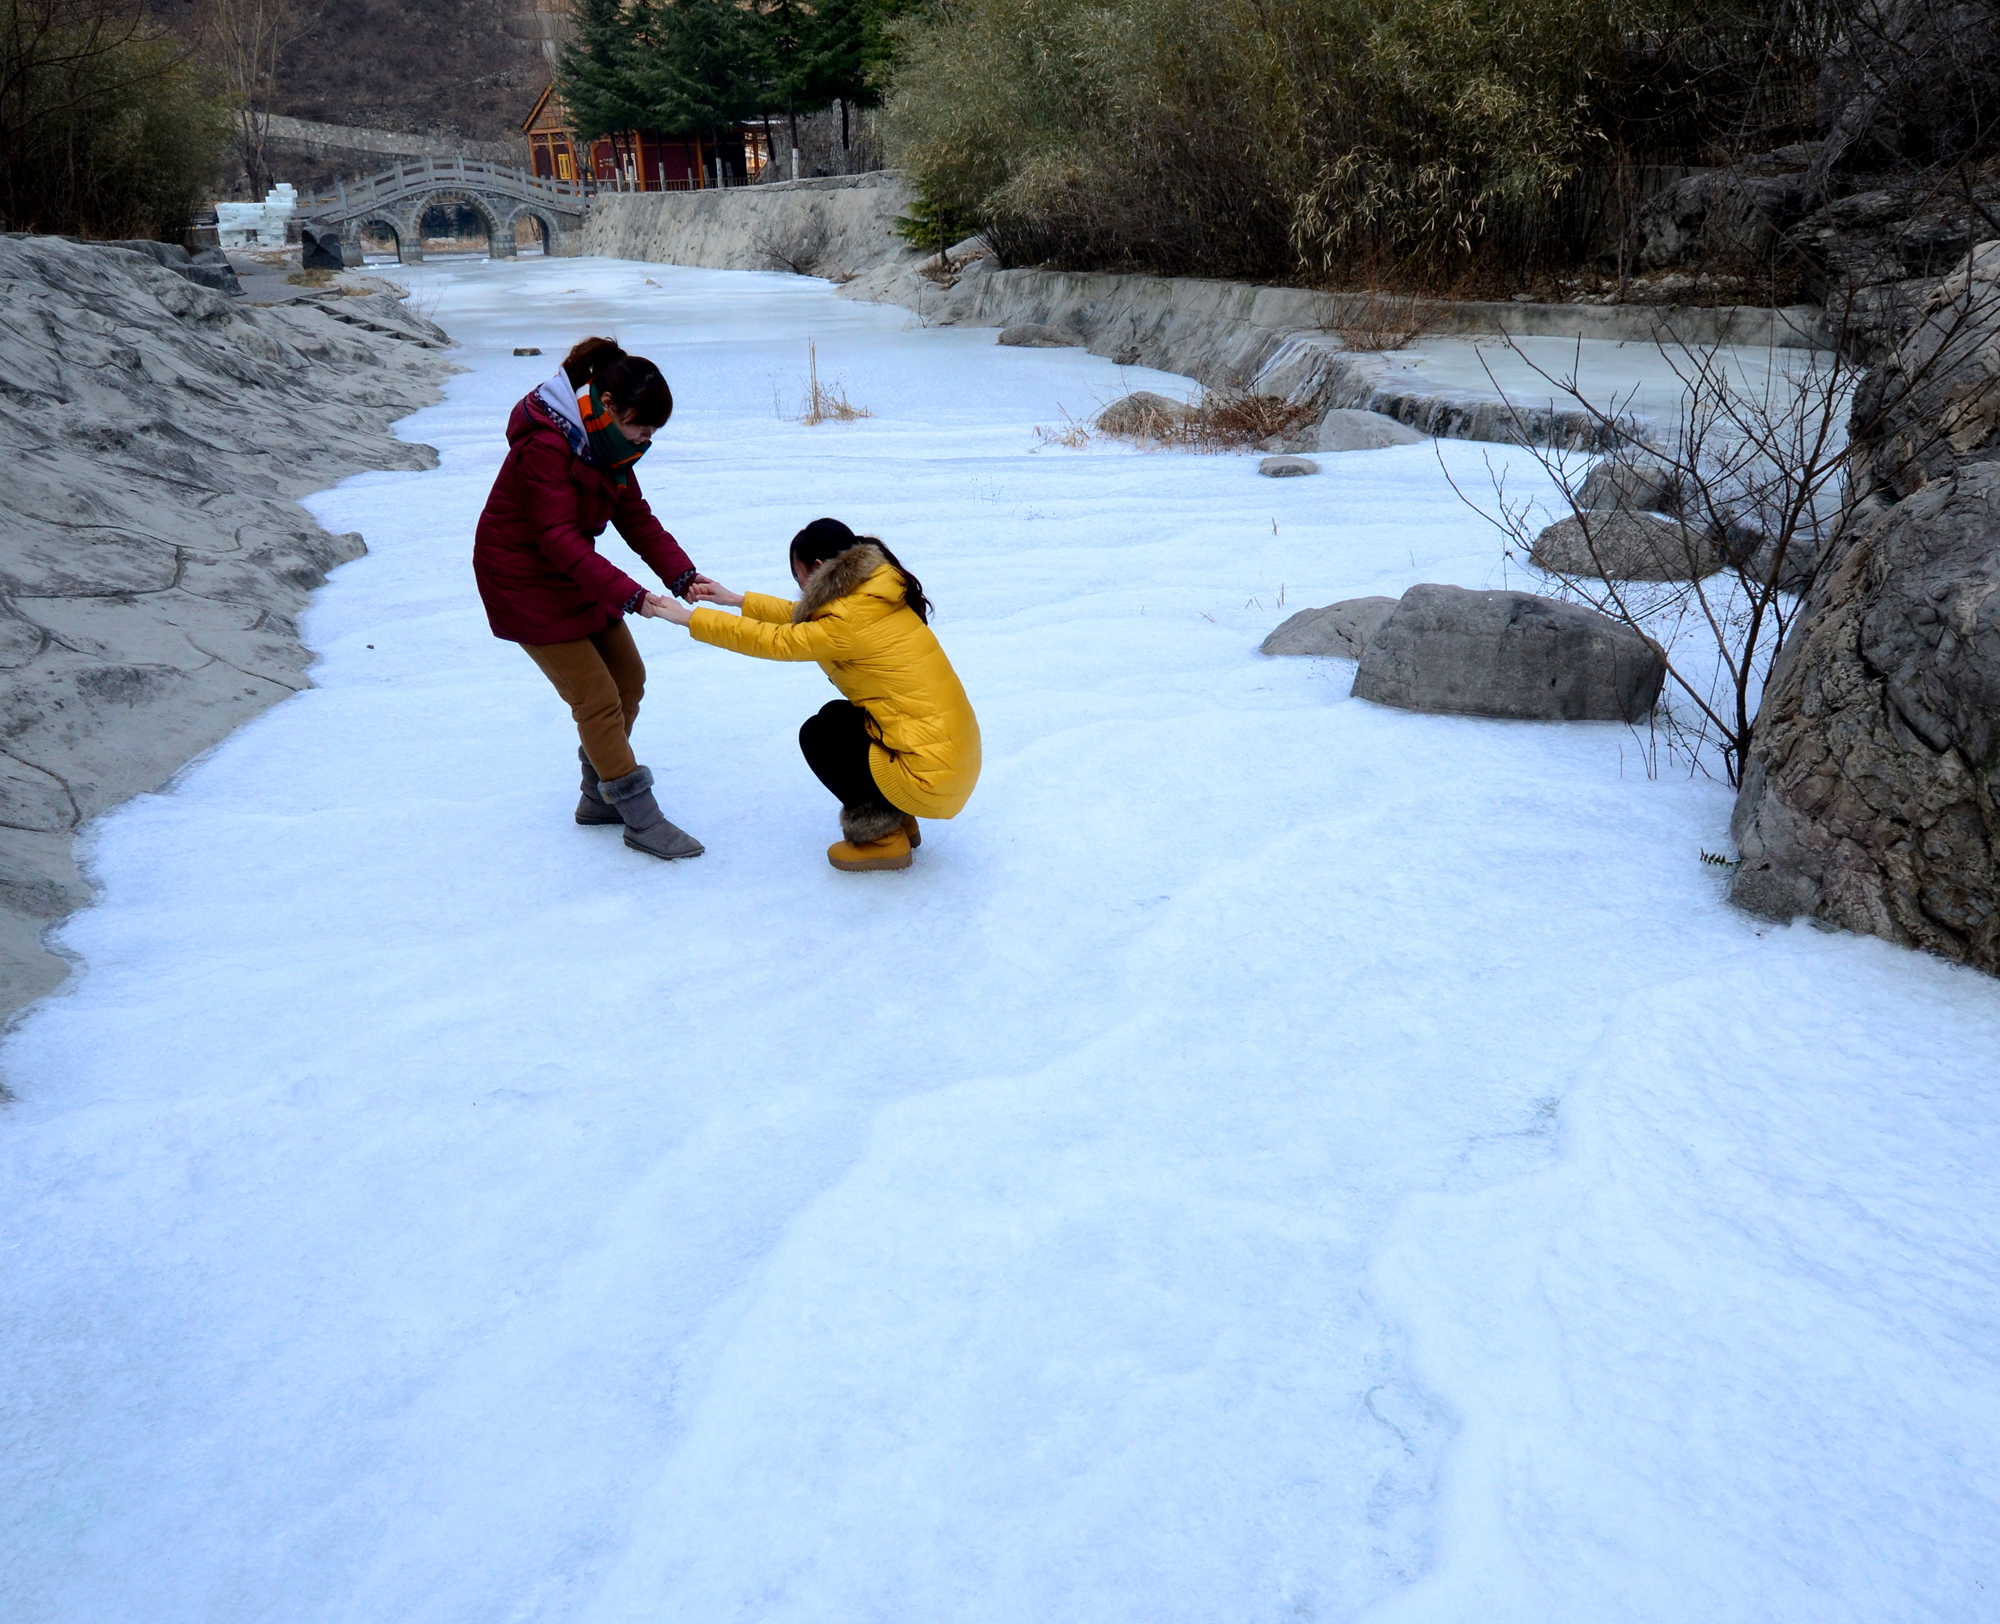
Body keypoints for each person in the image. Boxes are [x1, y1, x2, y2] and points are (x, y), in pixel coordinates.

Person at [472, 335, 704, 860]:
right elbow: (555, 538)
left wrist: (682, 575)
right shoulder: (548, 445)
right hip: (522, 579)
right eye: (640, 426)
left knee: (629, 680)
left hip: (574, 572)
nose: (646, 440)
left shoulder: (610, 445)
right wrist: (632, 596)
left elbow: (633, 516)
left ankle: (597, 797)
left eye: (653, 432)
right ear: (606, 406)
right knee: (596, 699)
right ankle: (641, 820)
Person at [650, 518, 980, 872]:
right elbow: (810, 620)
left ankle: (884, 839)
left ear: (820, 568)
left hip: (931, 777)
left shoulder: (849, 620)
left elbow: (775, 641)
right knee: (838, 718)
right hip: (951, 762)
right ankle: (899, 816)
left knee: (820, 736)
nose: (800, 587)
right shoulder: (875, 593)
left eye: (799, 576)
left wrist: (688, 619)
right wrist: (736, 599)